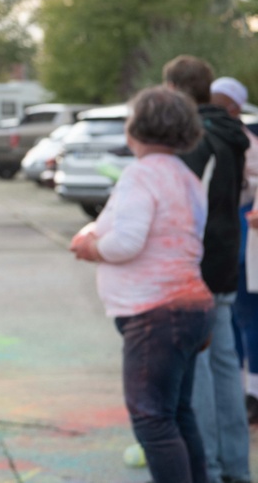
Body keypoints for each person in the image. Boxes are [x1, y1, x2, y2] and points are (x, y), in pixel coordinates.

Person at [70, 86, 214, 482]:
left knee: (153, 421)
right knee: (177, 414)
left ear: (136, 128)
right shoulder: (187, 177)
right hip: (189, 308)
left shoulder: (140, 174)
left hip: (155, 312)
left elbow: (127, 243)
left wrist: (91, 247)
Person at [164, 56, 252, 483]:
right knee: (225, 365)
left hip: (197, 265)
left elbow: (186, 207)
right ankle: (236, 465)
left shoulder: (194, 138)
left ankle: (209, 469)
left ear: (176, 90)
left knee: (195, 370)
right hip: (225, 259)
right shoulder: (233, 133)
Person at [210, 77, 258, 422]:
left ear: (235, 108)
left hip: (244, 234)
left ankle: (252, 391)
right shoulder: (213, 139)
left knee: (248, 316)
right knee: (233, 318)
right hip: (228, 235)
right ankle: (241, 389)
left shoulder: (247, 144)